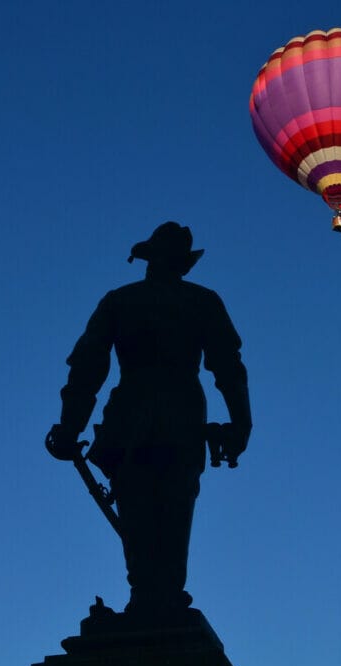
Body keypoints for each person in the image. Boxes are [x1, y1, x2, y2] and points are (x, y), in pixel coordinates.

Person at [46, 221, 252, 620]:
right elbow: (229, 367)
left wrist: (70, 426)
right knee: (172, 509)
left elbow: (87, 368)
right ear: (183, 265)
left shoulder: (120, 302)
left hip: (132, 418)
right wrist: (242, 423)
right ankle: (160, 597)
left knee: (142, 509)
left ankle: (149, 596)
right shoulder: (201, 302)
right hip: (180, 418)